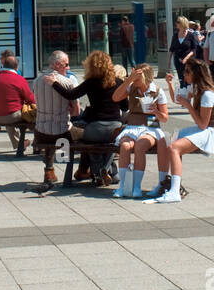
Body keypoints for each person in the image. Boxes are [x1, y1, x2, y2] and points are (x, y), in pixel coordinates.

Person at [148, 58, 214, 204]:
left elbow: (203, 124)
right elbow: (177, 99)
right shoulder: (195, 88)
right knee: (165, 141)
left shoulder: (208, 94)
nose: (184, 75)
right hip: (204, 130)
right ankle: (164, 184)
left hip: (212, 133)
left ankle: (174, 192)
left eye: (187, 71)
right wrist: (170, 84)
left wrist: (188, 106)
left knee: (174, 148)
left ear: (197, 74)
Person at [50, 49, 126, 185]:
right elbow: (125, 107)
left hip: (96, 127)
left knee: (90, 144)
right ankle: (107, 171)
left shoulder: (91, 82)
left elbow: (71, 95)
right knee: (111, 144)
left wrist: (54, 84)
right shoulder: (118, 82)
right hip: (115, 128)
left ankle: (98, 173)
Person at [110, 63, 170, 199]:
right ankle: (123, 186)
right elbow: (115, 97)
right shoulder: (131, 87)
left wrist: (155, 111)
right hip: (132, 126)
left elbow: (165, 118)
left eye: (138, 77)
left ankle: (136, 186)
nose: (135, 80)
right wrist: (129, 79)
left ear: (146, 78)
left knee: (140, 146)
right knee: (125, 146)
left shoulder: (157, 91)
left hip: (150, 127)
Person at [32, 50, 85, 186]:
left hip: (40, 133)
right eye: (66, 64)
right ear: (57, 64)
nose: (68, 68)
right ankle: (81, 170)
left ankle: (49, 170)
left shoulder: (36, 81)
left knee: (50, 130)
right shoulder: (67, 83)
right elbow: (76, 112)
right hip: (62, 133)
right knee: (86, 135)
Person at [0, 54, 35, 151]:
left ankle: (19, 143)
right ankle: (38, 143)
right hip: (11, 115)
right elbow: (30, 99)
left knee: (8, 110)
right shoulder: (19, 79)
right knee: (38, 115)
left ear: (3, 65)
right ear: (16, 67)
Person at [169, 16, 196, 86]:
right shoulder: (175, 35)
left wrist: (186, 58)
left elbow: (194, 49)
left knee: (188, 80)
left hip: (188, 62)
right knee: (181, 79)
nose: (176, 23)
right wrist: (169, 61)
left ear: (182, 23)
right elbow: (171, 49)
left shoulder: (190, 35)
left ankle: (189, 94)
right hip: (178, 61)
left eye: (178, 22)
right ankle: (183, 94)